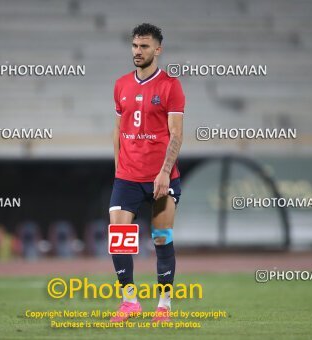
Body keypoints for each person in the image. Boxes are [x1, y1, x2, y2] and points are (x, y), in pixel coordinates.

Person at [109, 23, 185, 323]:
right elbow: (117, 130)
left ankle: (164, 304)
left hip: (161, 176)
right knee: (119, 237)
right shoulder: (120, 85)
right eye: (134, 46)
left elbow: (176, 134)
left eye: (144, 47)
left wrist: (165, 172)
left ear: (158, 49)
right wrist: (118, 170)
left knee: (162, 238)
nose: (137, 51)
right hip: (127, 176)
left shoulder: (170, 85)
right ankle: (130, 302)